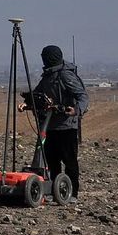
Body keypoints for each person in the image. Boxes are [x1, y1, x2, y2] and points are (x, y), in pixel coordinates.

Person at [21, 44, 88, 203]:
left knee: (69, 161)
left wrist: (76, 110)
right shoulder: (47, 76)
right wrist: (27, 104)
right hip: (49, 125)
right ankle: (53, 191)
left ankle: (72, 193)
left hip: (66, 125)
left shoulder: (65, 76)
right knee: (52, 161)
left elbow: (82, 96)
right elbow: (38, 95)